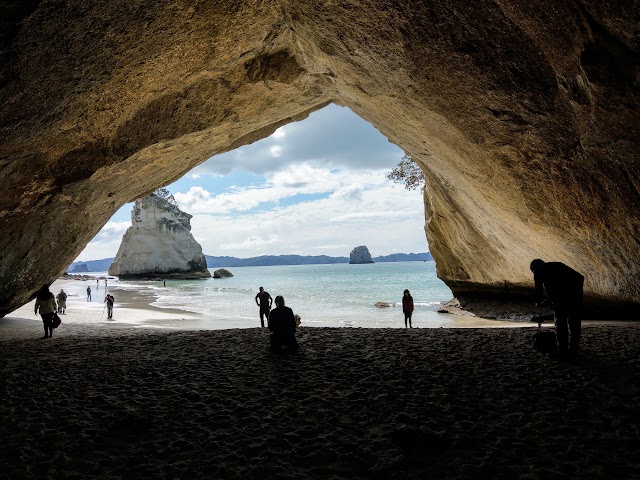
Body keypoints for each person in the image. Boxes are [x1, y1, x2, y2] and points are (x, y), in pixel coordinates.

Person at [530, 259, 584, 356]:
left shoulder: (538, 270)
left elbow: (539, 289)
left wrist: (538, 301)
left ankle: (563, 350)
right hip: (576, 295)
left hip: (565, 297)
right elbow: (577, 278)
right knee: (574, 322)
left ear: (534, 268)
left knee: (560, 322)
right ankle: (573, 349)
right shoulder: (556, 265)